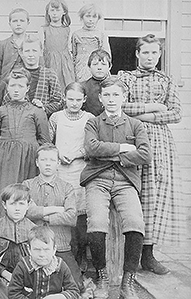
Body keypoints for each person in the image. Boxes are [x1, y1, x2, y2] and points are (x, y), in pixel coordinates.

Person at [118, 33, 185, 275]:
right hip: (133, 138)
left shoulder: (166, 80)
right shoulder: (126, 78)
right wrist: (153, 107)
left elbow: (176, 113)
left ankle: (148, 256)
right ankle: (127, 256)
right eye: (145, 52)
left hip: (160, 143)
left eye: (154, 52)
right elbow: (121, 105)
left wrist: (148, 116)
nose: (149, 57)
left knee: (154, 197)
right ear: (137, 53)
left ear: (159, 54)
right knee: (133, 192)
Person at [80, 77, 151, 299]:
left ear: (124, 98)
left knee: (135, 222)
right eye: (107, 95)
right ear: (100, 98)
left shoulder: (135, 124)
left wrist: (112, 156)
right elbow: (91, 148)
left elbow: (145, 155)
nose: (111, 99)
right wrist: (122, 148)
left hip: (125, 180)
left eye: (116, 95)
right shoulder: (93, 122)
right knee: (97, 222)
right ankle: (102, 277)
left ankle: (127, 282)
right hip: (97, 178)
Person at [24, 144, 84, 294]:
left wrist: (43, 215)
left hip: (61, 247)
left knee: (76, 286)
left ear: (58, 163)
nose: (48, 163)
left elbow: (71, 217)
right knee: (31, 286)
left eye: (52, 160)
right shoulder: (27, 185)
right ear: (37, 162)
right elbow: (27, 210)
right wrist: (57, 210)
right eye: (44, 160)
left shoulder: (67, 188)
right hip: (33, 248)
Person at [0, 70, 49, 218]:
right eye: (13, 85)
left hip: (28, 161)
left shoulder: (36, 111)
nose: (16, 89)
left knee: (25, 198)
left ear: (28, 88)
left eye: (21, 86)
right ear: (7, 87)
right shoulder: (0, 111)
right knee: (4, 196)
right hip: (4, 161)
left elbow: (44, 141)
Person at [49, 82, 94, 271]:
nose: (74, 103)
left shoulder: (90, 118)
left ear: (84, 100)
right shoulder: (56, 117)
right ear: (64, 99)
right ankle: (61, 256)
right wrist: (57, 154)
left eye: (78, 100)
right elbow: (47, 141)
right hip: (60, 170)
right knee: (62, 212)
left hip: (80, 170)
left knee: (80, 216)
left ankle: (81, 256)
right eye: (70, 99)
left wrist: (77, 154)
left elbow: (93, 145)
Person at [8, 226, 80, 299]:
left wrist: (60, 296)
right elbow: (13, 293)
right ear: (29, 249)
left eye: (46, 249)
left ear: (54, 249)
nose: (42, 254)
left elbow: (74, 291)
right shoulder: (22, 266)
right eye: (37, 249)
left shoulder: (61, 266)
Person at [0, 184, 36, 284]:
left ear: (28, 205)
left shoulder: (33, 228)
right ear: (4, 205)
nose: (17, 208)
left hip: (27, 275)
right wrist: (5, 274)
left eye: (21, 204)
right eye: (13, 204)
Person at [18, 36, 63, 117]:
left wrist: (43, 108)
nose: (31, 54)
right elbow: (7, 101)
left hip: (43, 120)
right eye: (27, 51)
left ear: (41, 52)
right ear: (21, 52)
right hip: (20, 120)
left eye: (34, 51)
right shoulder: (16, 75)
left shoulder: (50, 75)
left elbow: (59, 102)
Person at [71, 4, 111, 82]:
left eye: (94, 17)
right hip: (80, 67)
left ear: (98, 19)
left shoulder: (101, 34)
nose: (91, 19)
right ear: (82, 17)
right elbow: (73, 54)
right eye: (88, 16)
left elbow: (106, 53)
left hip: (96, 64)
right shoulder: (76, 34)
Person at [41, 0, 75, 89]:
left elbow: (70, 48)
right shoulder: (44, 29)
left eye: (57, 10)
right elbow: (40, 48)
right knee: (51, 84)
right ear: (48, 12)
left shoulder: (67, 29)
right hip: (49, 61)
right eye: (52, 10)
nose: (54, 13)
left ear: (64, 12)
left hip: (64, 63)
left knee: (66, 85)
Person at [0, 8, 29, 80]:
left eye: (22, 21)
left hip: (27, 83)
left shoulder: (33, 43)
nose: (18, 24)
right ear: (10, 24)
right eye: (15, 21)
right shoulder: (3, 44)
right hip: (7, 83)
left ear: (28, 23)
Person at [80, 49, 111, 116]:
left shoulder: (115, 86)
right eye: (95, 64)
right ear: (89, 67)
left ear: (109, 67)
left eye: (103, 64)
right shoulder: (83, 87)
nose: (99, 68)